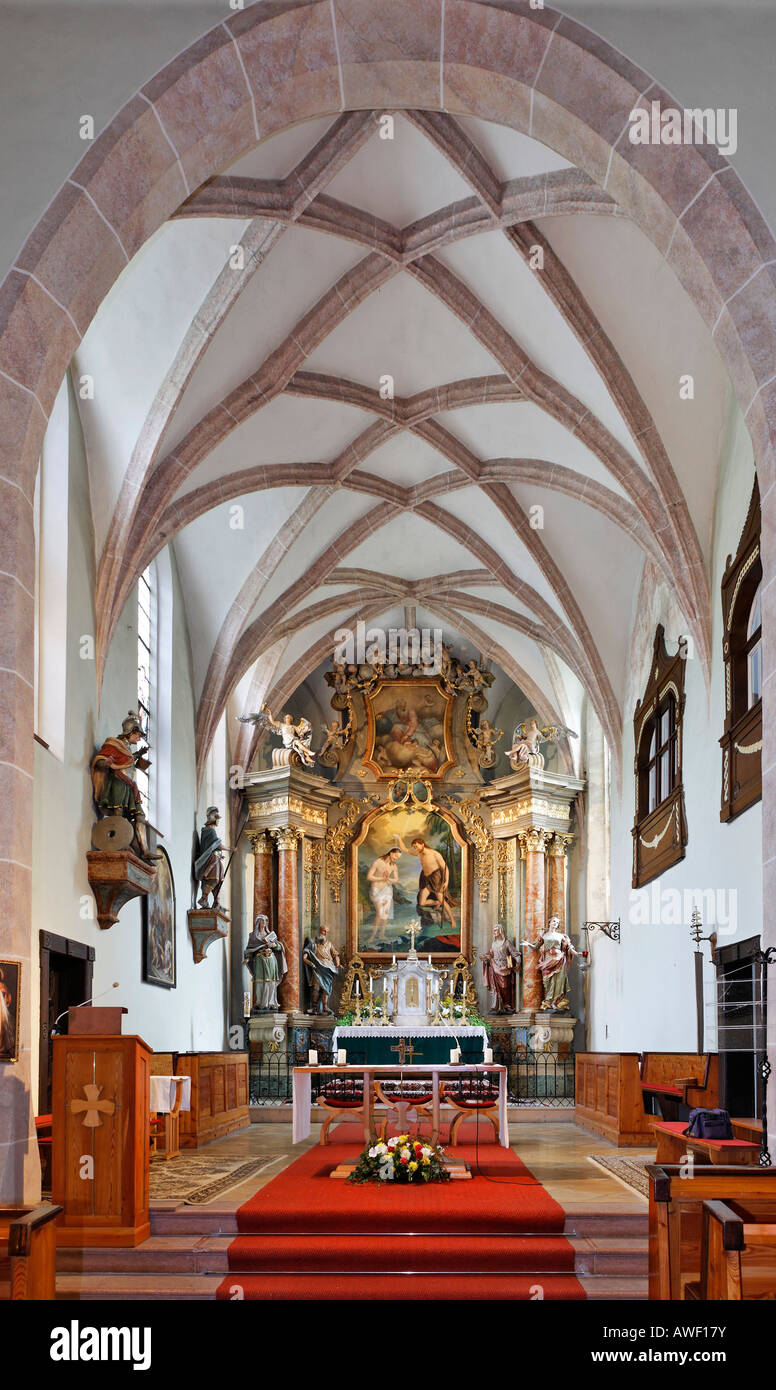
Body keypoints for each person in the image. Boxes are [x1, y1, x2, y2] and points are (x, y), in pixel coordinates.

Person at [90, 710, 156, 861]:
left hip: (129, 786)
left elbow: (126, 761)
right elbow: (100, 760)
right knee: (118, 813)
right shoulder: (113, 744)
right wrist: (106, 763)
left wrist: (138, 755)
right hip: (117, 783)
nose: (139, 738)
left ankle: (145, 851)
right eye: (138, 734)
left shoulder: (127, 750)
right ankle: (118, 844)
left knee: (140, 817)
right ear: (130, 731)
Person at [395, 832, 457, 930]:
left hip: (436, 878)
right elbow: (405, 849)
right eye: (414, 847)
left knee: (443, 901)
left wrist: (446, 881)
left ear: (422, 844)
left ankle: (452, 920)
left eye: (416, 846)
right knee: (422, 902)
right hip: (425, 879)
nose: (416, 848)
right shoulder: (419, 853)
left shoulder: (434, 853)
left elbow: (445, 868)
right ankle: (436, 903)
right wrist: (399, 838)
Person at [524, 915, 587, 1011]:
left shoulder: (561, 936)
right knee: (547, 981)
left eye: (557, 922)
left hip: (559, 960)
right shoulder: (544, 936)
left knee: (559, 981)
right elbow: (536, 947)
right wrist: (528, 944)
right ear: (549, 922)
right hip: (547, 961)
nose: (555, 923)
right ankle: (549, 1001)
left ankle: (556, 1002)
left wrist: (577, 954)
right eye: (554, 921)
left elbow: (569, 948)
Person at [243, 914, 288, 1012]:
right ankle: (261, 1003)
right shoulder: (253, 936)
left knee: (271, 982)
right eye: (262, 921)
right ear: (258, 922)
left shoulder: (270, 935)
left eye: (266, 921)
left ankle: (271, 1003)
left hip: (271, 960)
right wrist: (247, 958)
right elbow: (249, 949)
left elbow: (279, 948)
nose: (264, 923)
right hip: (259, 960)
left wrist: (274, 945)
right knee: (260, 982)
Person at [194, 806, 231, 907]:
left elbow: (212, 846)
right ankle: (203, 899)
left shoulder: (208, 831)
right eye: (217, 818)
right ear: (212, 817)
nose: (218, 820)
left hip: (215, 859)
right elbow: (216, 845)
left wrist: (219, 854)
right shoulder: (210, 831)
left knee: (218, 880)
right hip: (211, 860)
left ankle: (216, 902)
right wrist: (229, 849)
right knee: (213, 879)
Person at [481, 924, 522, 1013]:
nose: (494, 932)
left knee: (505, 986)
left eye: (496, 930)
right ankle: (496, 1006)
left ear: (501, 931)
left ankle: (507, 1005)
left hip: (505, 967)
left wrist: (518, 962)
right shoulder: (493, 943)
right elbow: (491, 954)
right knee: (495, 987)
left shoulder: (506, 943)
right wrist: (486, 958)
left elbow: (514, 953)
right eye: (493, 930)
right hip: (495, 966)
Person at [365, 847, 400, 945]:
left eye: (398, 857)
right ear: (391, 853)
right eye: (396, 856)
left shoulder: (393, 865)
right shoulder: (377, 862)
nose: (396, 858)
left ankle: (381, 935)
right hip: (376, 890)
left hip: (387, 890)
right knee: (380, 913)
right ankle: (372, 936)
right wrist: (382, 878)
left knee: (385, 914)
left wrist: (388, 878)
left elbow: (396, 879)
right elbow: (369, 877)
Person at [302, 924, 341, 1015]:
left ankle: (324, 1007)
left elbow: (335, 955)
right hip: (318, 968)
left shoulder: (329, 944)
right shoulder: (313, 943)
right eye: (324, 931)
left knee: (326, 989)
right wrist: (309, 962)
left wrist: (338, 964)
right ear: (320, 931)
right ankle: (314, 1007)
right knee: (316, 988)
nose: (325, 933)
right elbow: (305, 956)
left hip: (328, 968)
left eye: (327, 932)